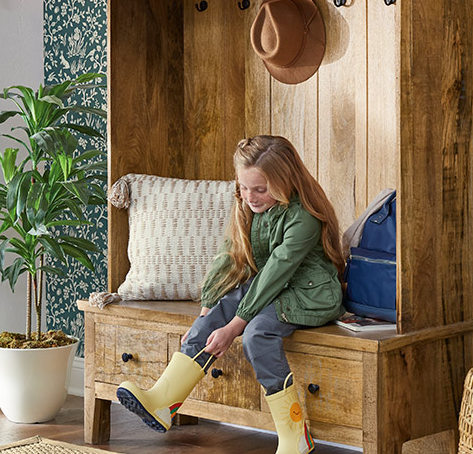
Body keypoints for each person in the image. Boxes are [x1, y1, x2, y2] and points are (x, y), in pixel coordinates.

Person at [116, 135, 346, 454]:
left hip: (311, 294)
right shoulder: (249, 206)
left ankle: (295, 436)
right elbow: (228, 257)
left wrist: (233, 327)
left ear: (284, 181)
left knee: (256, 334)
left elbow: (274, 272)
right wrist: (205, 315)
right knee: (218, 309)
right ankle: (163, 401)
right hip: (271, 288)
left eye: (260, 189)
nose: (250, 196)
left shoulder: (302, 217)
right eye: (244, 187)